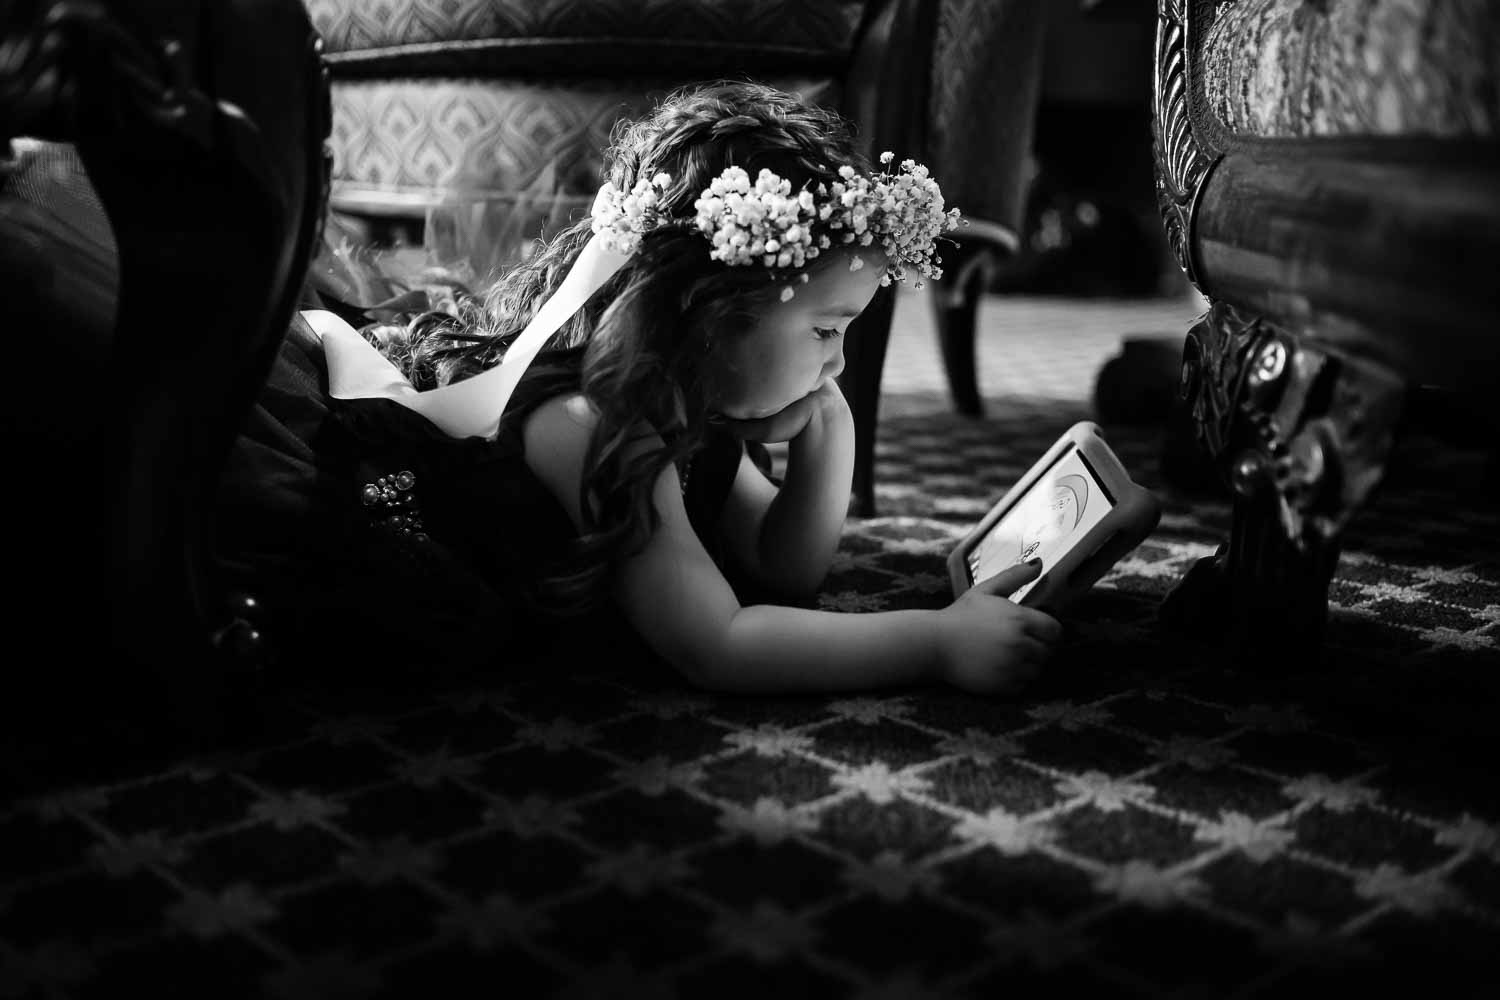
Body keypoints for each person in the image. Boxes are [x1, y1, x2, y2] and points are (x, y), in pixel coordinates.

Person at [215, 81, 1062, 696]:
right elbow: (720, 645)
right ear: (709, 313)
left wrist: (828, 434)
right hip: (383, 531)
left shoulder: (692, 394)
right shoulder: (591, 426)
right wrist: (936, 646)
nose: (837, 359)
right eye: (826, 331)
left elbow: (782, 573)